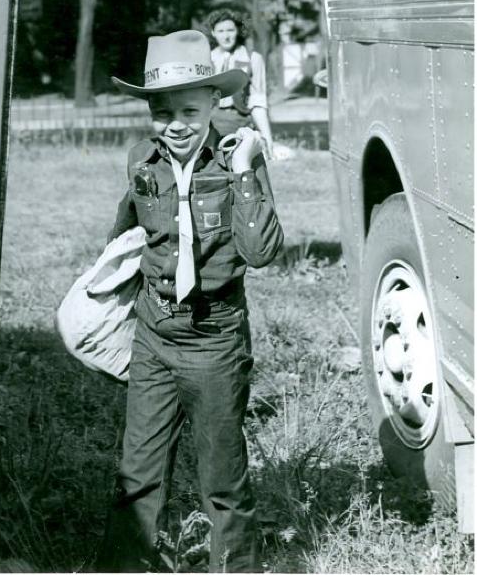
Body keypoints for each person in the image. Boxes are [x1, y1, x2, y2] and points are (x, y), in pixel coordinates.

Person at [96, 29, 284, 573]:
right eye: (161, 111)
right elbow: (124, 237)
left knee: (221, 477)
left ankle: (237, 568)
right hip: (155, 332)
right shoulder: (141, 161)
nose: (175, 124)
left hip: (214, 336)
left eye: (189, 109)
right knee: (137, 473)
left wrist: (247, 167)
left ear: (213, 105)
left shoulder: (233, 161)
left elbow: (262, 251)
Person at [207, 8, 274, 156]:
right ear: (213, 33)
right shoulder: (205, 59)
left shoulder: (253, 58)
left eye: (230, 30)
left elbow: (258, 102)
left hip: (239, 123)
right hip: (208, 123)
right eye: (221, 31)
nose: (226, 36)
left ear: (237, 30)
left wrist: (267, 138)